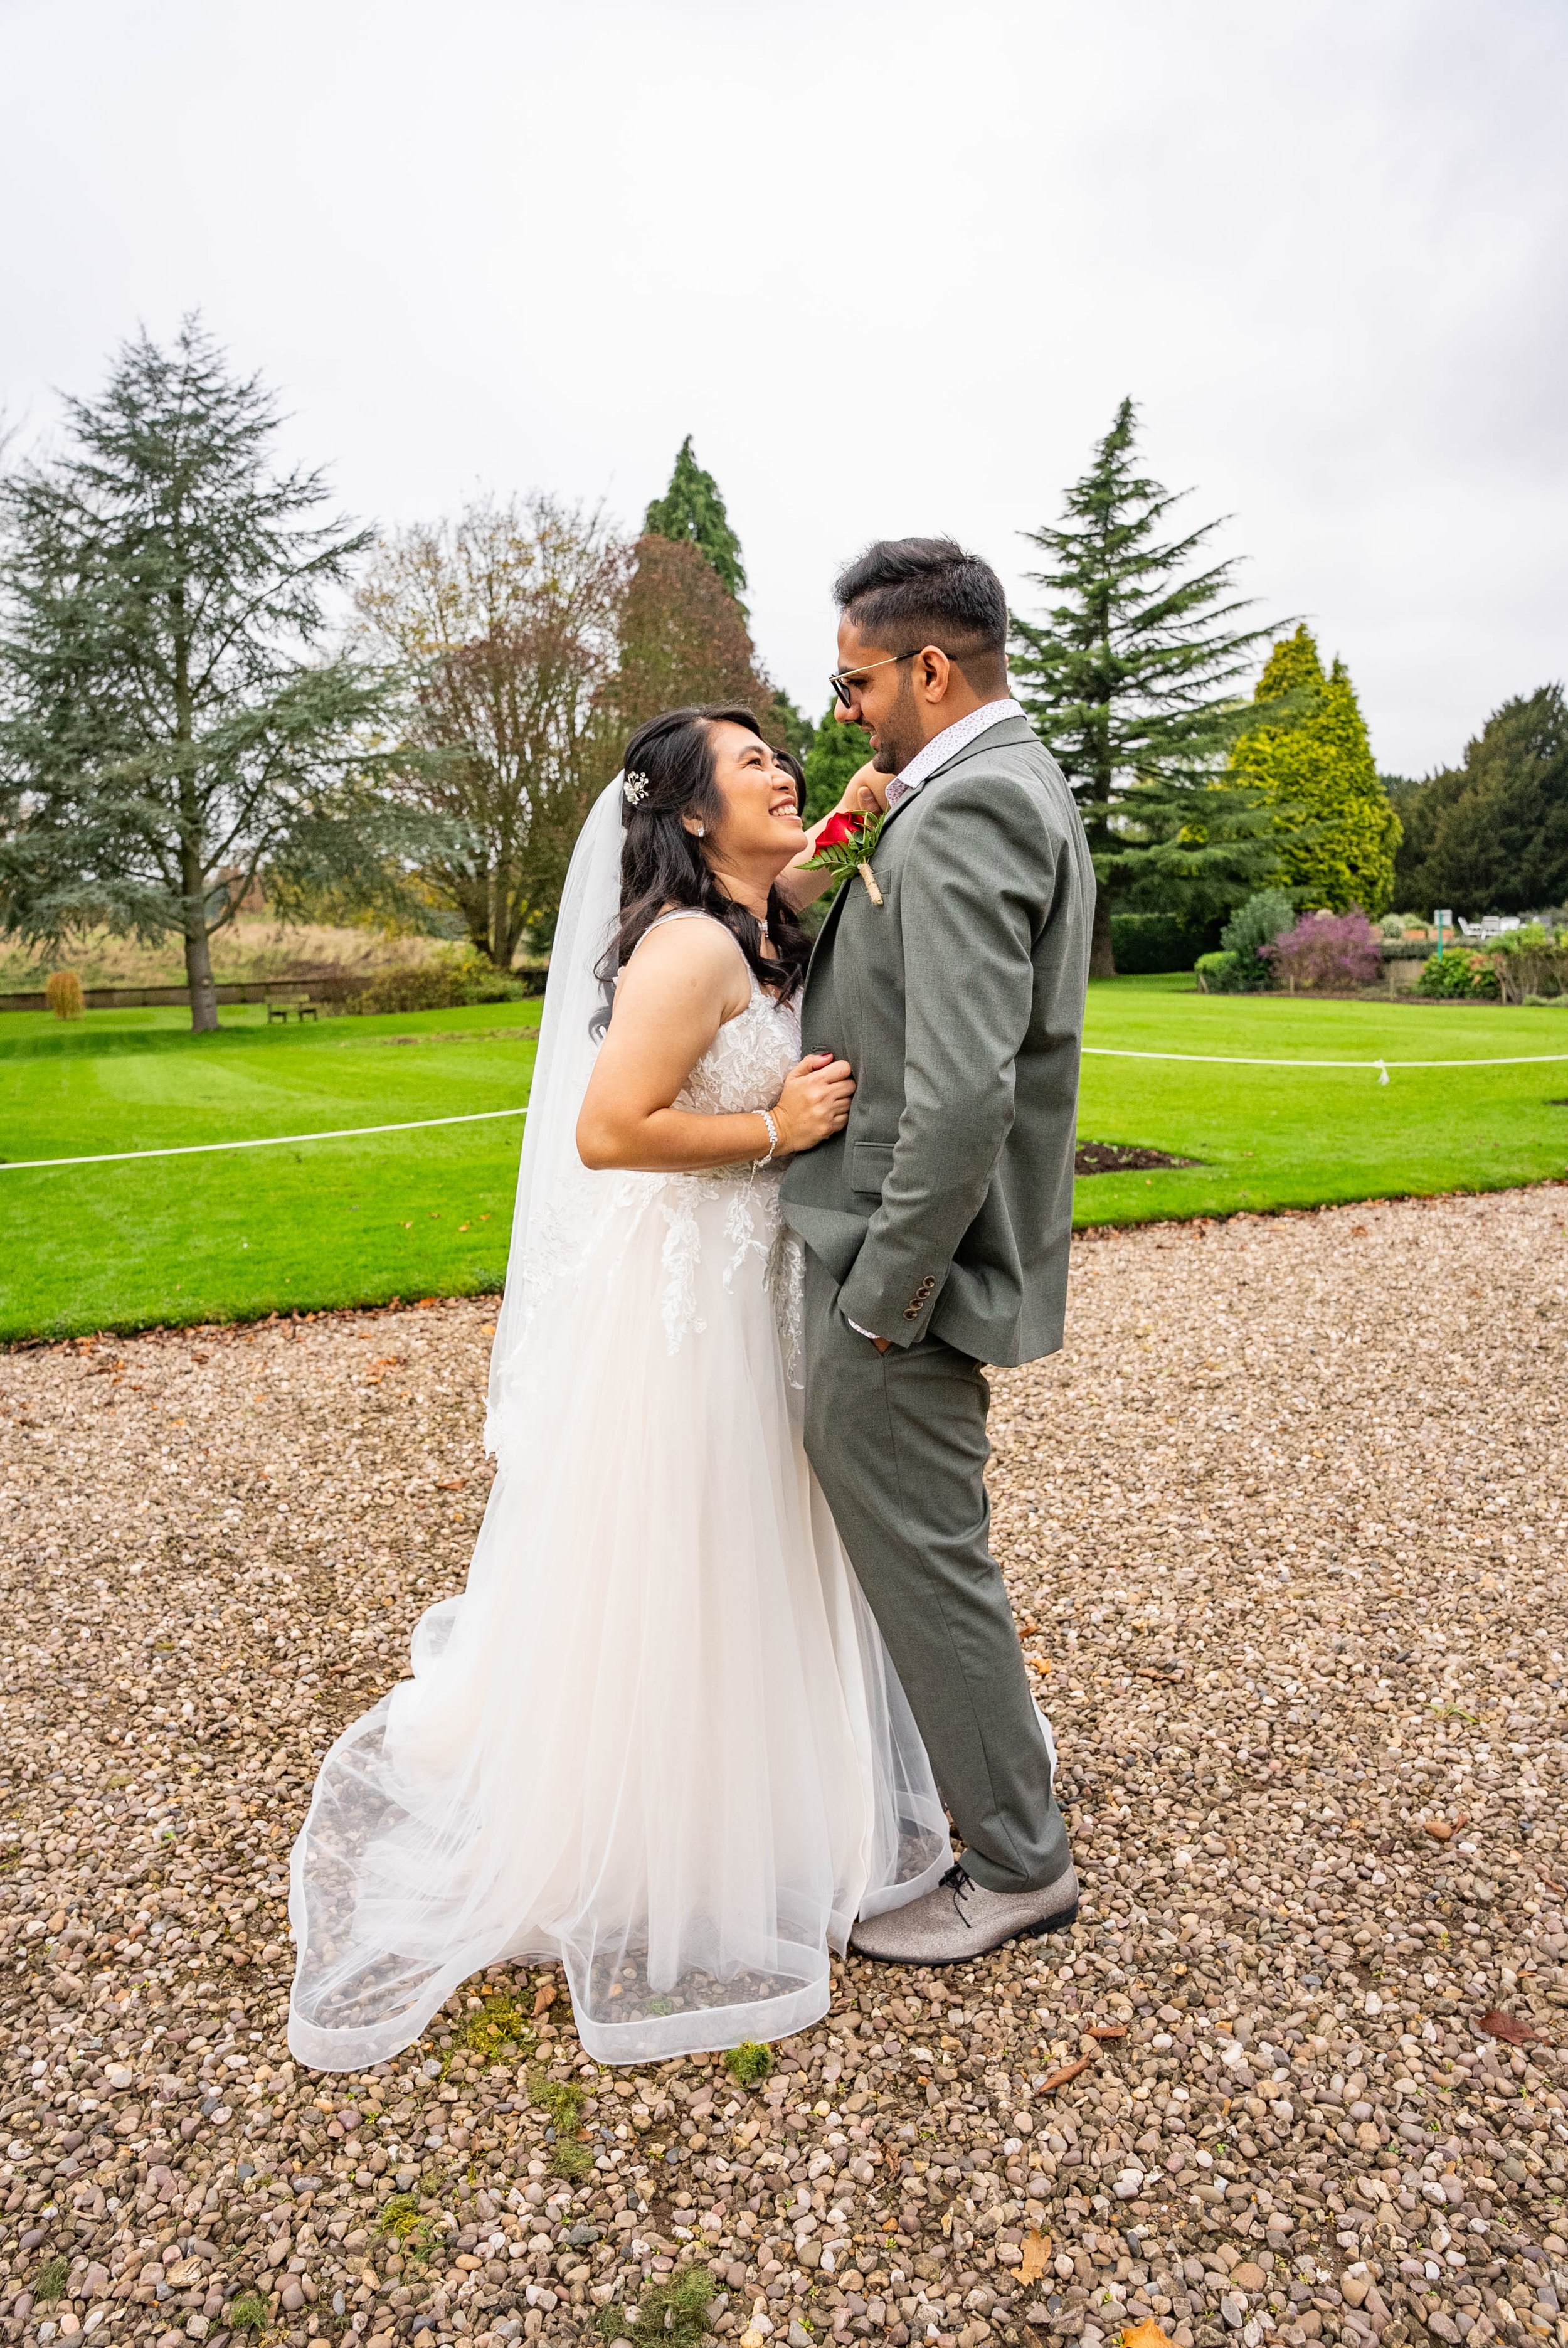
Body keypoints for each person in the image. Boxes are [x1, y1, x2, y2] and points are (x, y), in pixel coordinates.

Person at [287, 705, 949, 2071]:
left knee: (768, 1534)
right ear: (692, 816)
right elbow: (606, 1130)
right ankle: (663, 1835)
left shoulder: (763, 921)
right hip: (683, 1305)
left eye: (785, 752)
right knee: (690, 1541)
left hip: (757, 1281)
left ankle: (773, 1806)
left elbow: (827, 853)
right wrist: (778, 1125)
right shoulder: (691, 943)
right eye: (748, 759)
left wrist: (878, 792)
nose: (782, 769)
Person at [781, 537, 1094, 1965]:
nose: (841, 711)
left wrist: (881, 1299)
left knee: (928, 1556)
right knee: (922, 1548)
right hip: (886, 1254)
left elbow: (967, 1093)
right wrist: (848, 835)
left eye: (854, 683)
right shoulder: (953, 790)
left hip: (902, 1274)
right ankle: (955, 1810)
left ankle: (1019, 1864)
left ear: (927, 667)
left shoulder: (972, 810)